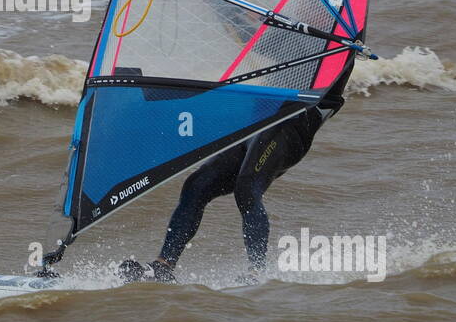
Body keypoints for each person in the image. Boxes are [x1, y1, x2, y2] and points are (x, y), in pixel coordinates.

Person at [119, 59, 353, 283]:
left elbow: (329, 86)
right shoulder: (287, 33)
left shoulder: (336, 43)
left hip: (290, 128)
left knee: (247, 188)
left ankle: (256, 272)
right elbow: (244, 33)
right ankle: (163, 267)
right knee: (196, 185)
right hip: (256, 122)